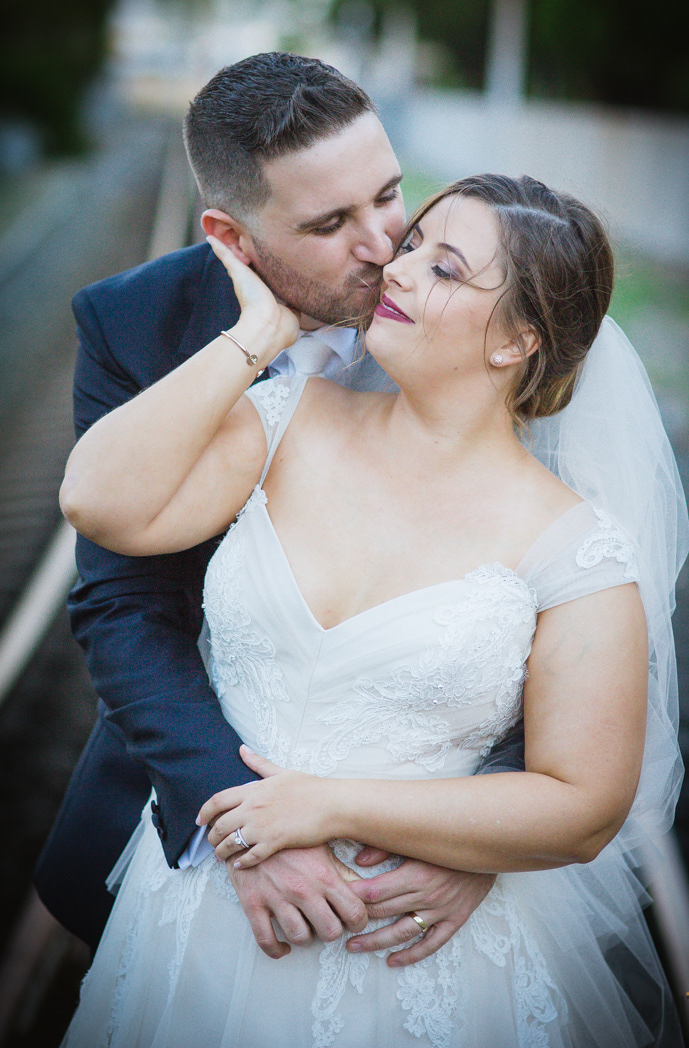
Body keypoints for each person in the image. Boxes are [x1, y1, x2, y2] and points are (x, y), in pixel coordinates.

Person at [60, 173, 687, 1047]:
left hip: (413, 959)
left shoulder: (578, 552)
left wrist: (331, 806)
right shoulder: (285, 418)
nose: (396, 269)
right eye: (413, 244)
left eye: (445, 269)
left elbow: (584, 807)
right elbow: (98, 503)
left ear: (518, 341)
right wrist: (256, 334)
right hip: (196, 915)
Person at [35, 53, 505, 961]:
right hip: (207, 787)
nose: (385, 247)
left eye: (388, 195)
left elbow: (554, 590)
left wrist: (487, 833)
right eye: (329, 224)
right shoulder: (133, 322)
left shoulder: (474, 300)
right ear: (231, 236)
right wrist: (241, 826)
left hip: (434, 827)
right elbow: (124, 601)